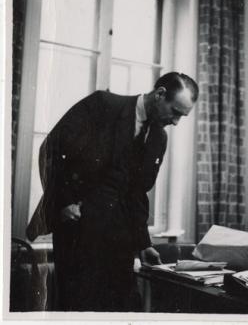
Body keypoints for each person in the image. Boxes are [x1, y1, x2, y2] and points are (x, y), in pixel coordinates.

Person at [26, 72, 198, 311]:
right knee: (78, 309)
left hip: (120, 242)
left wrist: (143, 244)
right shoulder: (103, 105)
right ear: (160, 94)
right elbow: (51, 150)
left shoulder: (159, 137)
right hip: (78, 235)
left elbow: (137, 192)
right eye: (176, 112)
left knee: (122, 309)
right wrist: (63, 203)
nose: (177, 121)